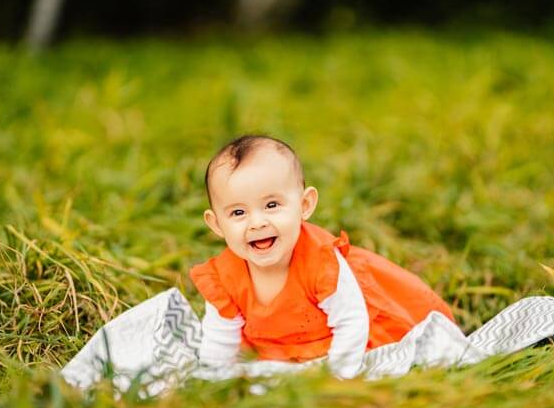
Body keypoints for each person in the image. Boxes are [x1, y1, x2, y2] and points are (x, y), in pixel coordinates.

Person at [190, 135, 454, 378]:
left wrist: (338, 376)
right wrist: (215, 379)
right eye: (238, 213)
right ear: (216, 224)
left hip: (338, 345)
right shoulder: (224, 278)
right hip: (275, 350)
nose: (257, 222)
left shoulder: (320, 263)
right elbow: (220, 337)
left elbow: (351, 321)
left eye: (272, 205)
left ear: (304, 205)